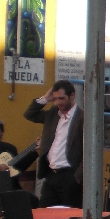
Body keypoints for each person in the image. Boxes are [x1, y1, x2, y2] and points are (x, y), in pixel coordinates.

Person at [23, 80, 84, 208]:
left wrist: (77, 177)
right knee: (43, 214)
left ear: (72, 95)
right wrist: (45, 98)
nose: (58, 102)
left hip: (70, 176)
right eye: (55, 99)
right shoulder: (52, 114)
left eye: (61, 98)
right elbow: (29, 114)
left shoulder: (82, 117)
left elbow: (89, 151)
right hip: (50, 174)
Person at [0, 119, 39, 199]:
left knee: (33, 200)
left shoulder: (9, 148)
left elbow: (17, 169)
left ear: (2, 133)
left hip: (9, 188)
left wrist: (32, 152)